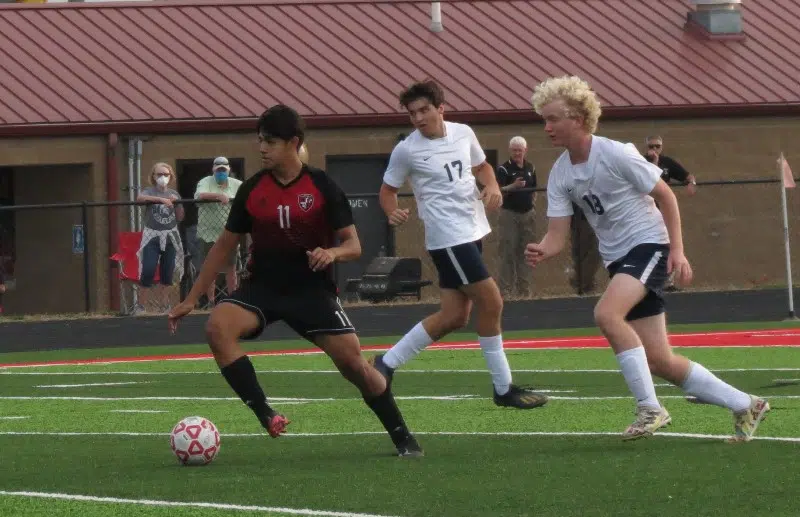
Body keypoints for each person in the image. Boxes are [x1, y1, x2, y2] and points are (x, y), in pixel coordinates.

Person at [168, 105, 423, 457]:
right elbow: (223, 248)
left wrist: (331, 254)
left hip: (310, 291)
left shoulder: (321, 186)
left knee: (356, 367)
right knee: (217, 328)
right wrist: (191, 298)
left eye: (270, 141)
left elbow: (353, 245)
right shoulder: (253, 189)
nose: (262, 148)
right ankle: (266, 414)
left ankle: (402, 436)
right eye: (260, 141)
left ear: (294, 143)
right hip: (263, 287)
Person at [524, 75, 769, 442]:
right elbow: (557, 234)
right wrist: (544, 247)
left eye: (553, 118)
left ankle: (650, 408)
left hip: (649, 245)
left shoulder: (616, 153)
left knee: (606, 314)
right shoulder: (560, 173)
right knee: (660, 361)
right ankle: (746, 403)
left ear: (577, 117)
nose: (546, 127)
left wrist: (677, 249)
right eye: (544, 119)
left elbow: (666, 196)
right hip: (619, 260)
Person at [374, 79, 548, 410]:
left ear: (441, 108)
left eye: (424, 110)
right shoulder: (407, 149)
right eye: (412, 113)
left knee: (454, 316)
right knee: (492, 303)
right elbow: (387, 190)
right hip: (447, 237)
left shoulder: (463, 133)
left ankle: (387, 362)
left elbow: (481, 166)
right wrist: (391, 211)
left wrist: (493, 186)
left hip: (472, 229)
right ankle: (503, 387)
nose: (419, 118)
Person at [194, 157, 243, 306]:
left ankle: (233, 299)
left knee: (231, 268)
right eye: (218, 170)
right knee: (211, 267)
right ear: (213, 171)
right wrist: (218, 196)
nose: (221, 172)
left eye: (224, 170)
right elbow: (199, 195)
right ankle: (211, 301)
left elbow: (248, 198)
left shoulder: (237, 184)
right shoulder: (205, 181)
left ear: (228, 170)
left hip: (229, 232)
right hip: (208, 233)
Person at [496, 136, 538, 298]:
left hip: (528, 215)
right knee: (507, 253)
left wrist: (532, 204)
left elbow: (534, 188)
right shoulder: (504, 169)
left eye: (520, 150)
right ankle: (505, 292)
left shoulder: (530, 167)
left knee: (526, 253)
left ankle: (524, 292)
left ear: (525, 150)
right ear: (510, 150)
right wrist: (513, 186)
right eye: (514, 150)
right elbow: (497, 191)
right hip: (509, 214)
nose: (517, 153)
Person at [136, 163, 185, 289]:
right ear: (153, 176)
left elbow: (180, 217)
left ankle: (165, 306)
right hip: (152, 236)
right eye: (159, 174)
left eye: (166, 174)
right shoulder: (149, 191)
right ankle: (142, 305)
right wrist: (161, 200)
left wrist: (177, 203)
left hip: (170, 236)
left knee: (168, 273)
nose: (163, 177)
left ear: (170, 176)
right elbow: (140, 199)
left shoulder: (174, 193)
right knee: (148, 269)